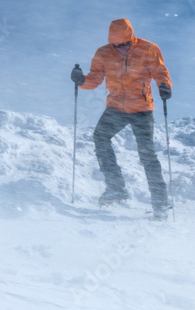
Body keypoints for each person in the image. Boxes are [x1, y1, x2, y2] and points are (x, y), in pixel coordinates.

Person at [71, 18, 173, 218]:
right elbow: (95, 79)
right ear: (111, 42)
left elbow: (160, 71)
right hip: (116, 106)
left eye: (125, 44)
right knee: (100, 138)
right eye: (116, 45)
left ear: (131, 38)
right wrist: (81, 80)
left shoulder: (148, 48)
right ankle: (116, 188)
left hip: (142, 108)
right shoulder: (103, 53)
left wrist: (165, 85)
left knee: (147, 155)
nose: (121, 49)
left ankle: (160, 203)